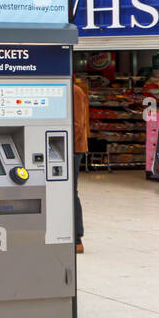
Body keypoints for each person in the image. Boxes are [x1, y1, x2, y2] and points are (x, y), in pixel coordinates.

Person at [73, 77, 89, 254]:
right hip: (66, 147)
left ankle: (77, 237)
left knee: (71, 192)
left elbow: (77, 125)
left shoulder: (75, 91)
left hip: (73, 149)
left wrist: (65, 148)